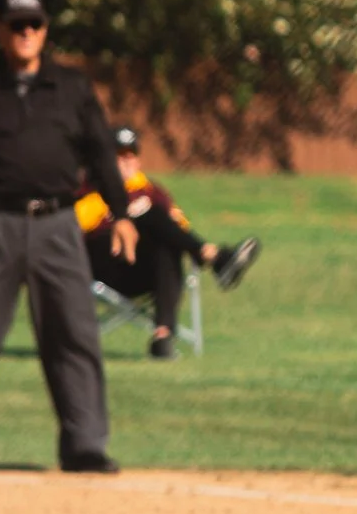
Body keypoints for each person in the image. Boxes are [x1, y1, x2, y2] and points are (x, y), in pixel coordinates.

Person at [0, 0, 134, 475]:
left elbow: (101, 153)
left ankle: (85, 445)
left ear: (46, 28)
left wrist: (120, 213)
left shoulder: (72, 88)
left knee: (74, 333)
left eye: (34, 24)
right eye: (16, 25)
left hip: (58, 224)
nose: (26, 33)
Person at [76, 125, 261, 359]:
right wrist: (124, 212)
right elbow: (75, 227)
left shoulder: (152, 192)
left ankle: (162, 338)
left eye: (131, 155)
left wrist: (145, 210)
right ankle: (214, 257)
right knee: (148, 213)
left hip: (143, 272)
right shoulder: (87, 189)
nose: (126, 162)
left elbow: (178, 227)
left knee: (166, 242)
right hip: (103, 267)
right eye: (119, 156)